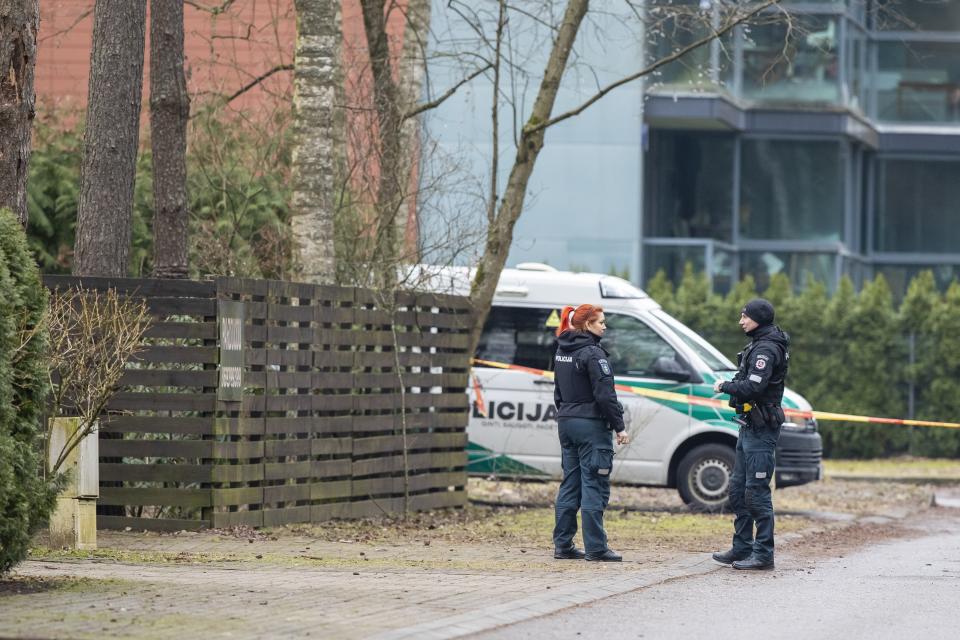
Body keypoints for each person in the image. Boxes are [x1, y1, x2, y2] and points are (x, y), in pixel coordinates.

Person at [711, 298, 789, 571]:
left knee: (756, 492)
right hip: (748, 426)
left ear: (758, 319)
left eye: (745, 316)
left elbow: (754, 387)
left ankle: (763, 554)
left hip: (762, 428)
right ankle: (741, 548)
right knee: (738, 490)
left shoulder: (767, 348)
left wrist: (725, 386)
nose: (741, 321)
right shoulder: (758, 343)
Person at [552, 303, 630, 562]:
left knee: (570, 484)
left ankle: (563, 545)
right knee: (594, 484)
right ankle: (596, 548)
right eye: (600, 322)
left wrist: (567, 415)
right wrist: (619, 426)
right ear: (587, 325)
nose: (604, 326)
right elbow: (605, 395)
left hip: (567, 423)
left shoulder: (562, 351)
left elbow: (558, 393)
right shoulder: (594, 354)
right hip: (591, 427)